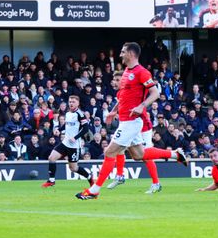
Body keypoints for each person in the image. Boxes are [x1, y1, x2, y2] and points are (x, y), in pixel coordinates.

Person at [76, 42, 187, 200]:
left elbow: (155, 93)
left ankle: (94, 190)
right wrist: (113, 111)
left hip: (132, 122)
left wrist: (142, 106)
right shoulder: (127, 71)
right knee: (138, 155)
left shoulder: (142, 72)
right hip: (125, 120)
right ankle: (175, 154)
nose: (120, 54)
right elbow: (122, 97)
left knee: (109, 152)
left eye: (122, 52)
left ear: (131, 54)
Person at [41, 95, 94, 188]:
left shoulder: (80, 114)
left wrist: (76, 137)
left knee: (73, 168)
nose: (71, 103)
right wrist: (59, 130)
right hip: (65, 143)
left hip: (73, 146)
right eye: (70, 102)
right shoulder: (68, 113)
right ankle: (51, 181)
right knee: (51, 158)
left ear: (77, 103)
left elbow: (86, 129)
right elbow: (66, 125)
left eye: (73, 102)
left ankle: (90, 177)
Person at [107, 108, 163, 193]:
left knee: (145, 156)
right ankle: (120, 176)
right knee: (119, 148)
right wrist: (113, 111)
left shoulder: (136, 97)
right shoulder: (121, 96)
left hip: (143, 127)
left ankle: (156, 183)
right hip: (128, 125)